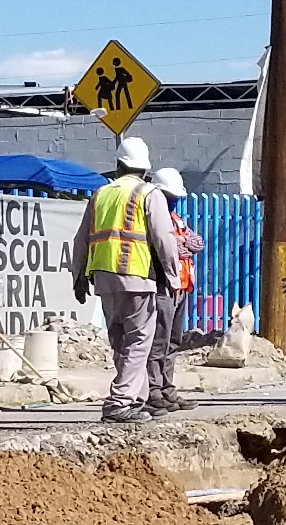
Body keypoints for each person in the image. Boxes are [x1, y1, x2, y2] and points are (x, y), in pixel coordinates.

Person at [71, 136, 174, 424]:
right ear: (145, 169)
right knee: (139, 340)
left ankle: (135, 398)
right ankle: (119, 402)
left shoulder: (101, 194)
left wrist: (78, 276)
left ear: (118, 164)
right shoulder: (148, 193)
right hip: (137, 275)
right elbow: (164, 239)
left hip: (103, 277)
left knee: (120, 340)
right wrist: (172, 276)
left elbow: (81, 239)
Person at [149, 168, 203, 413]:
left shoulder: (177, 220)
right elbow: (166, 247)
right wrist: (179, 244)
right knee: (158, 341)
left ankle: (167, 389)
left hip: (182, 286)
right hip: (164, 286)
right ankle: (154, 390)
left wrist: (181, 243)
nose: (173, 202)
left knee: (173, 341)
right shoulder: (155, 217)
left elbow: (196, 243)